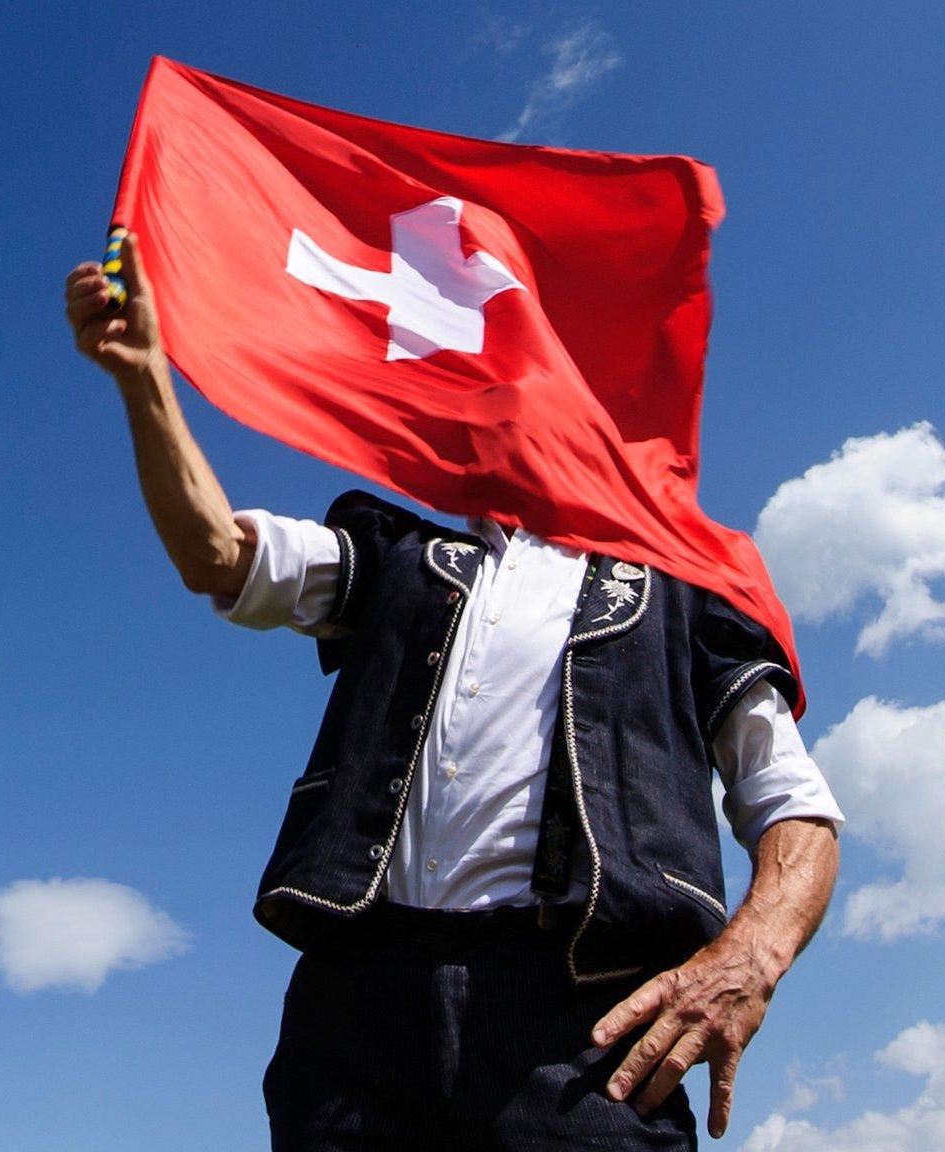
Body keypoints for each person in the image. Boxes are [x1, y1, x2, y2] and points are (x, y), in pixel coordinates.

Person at [64, 234, 844, 1151]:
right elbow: (218, 557)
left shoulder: (682, 590)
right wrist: (145, 376)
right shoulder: (402, 556)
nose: (492, 416)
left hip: (583, 1023)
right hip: (359, 1015)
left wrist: (749, 959)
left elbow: (793, 806)